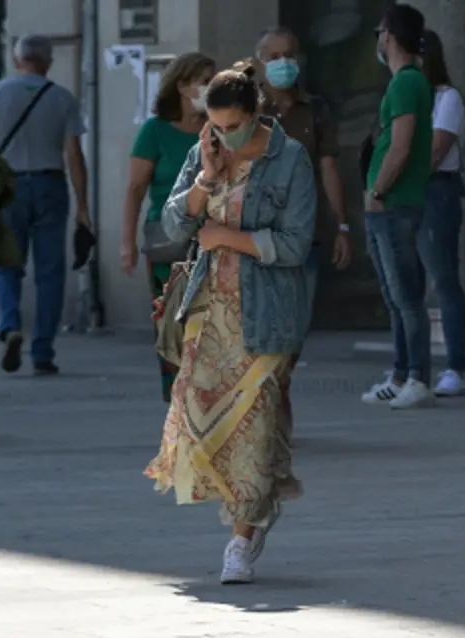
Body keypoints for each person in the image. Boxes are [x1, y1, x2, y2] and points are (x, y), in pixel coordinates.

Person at [144, 62, 317, 585]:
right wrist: (206, 179)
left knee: (257, 428)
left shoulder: (291, 161)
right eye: (216, 125)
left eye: (234, 125)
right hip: (208, 312)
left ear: (255, 114)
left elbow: (295, 243)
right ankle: (253, 507)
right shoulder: (206, 151)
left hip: (267, 315)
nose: (224, 135)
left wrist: (228, 238)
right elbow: (174, 222)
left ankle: (242, 537)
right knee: (207, 426)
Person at [0, 35, 90, 377]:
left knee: (6, 262)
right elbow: (73, 153)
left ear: (16, 60)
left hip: (7, 186)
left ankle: (10, 324)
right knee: (50, 273)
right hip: (50, 185)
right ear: (48, 62)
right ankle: (43, 352)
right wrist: (83, 205)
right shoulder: (62, 98)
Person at [120, 51, 216, 403]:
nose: (211, 88)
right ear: (182, 85)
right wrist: (127, 242)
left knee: (214, 323)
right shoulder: (155, 131)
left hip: (215, 238)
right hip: (169, 242)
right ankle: (177, 398)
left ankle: (207, 400)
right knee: (173, 321)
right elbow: (134, 189)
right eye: (204, 81)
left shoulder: (220, 128)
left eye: (214, 80)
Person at [360, 3, 437, 409]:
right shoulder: (403, 84)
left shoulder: (407, 83)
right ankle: (400, 372)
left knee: (406, 296)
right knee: (394, 297)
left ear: (388, 34)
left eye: (379, 32)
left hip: (396, 205)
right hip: (385, 208)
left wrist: (378, 190)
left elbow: (401, 145)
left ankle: (417, 377)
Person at [255, 26, 352, 301]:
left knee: (297, 322)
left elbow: (329, 170)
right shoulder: (246, 110)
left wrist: (342, 226)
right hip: (257, 235)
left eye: (288, 55)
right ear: (260, 65)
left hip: (304, 231)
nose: (282, 63)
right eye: (273, 56)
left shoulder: (316, 109)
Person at [418, 30, 465, 397]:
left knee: (443, 278)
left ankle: (455, 365)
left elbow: (435, 151)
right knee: (407, 286)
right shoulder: (402, 95)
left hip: (436, 190)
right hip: (406, 193)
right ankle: (410, 368)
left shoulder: (446, 98)